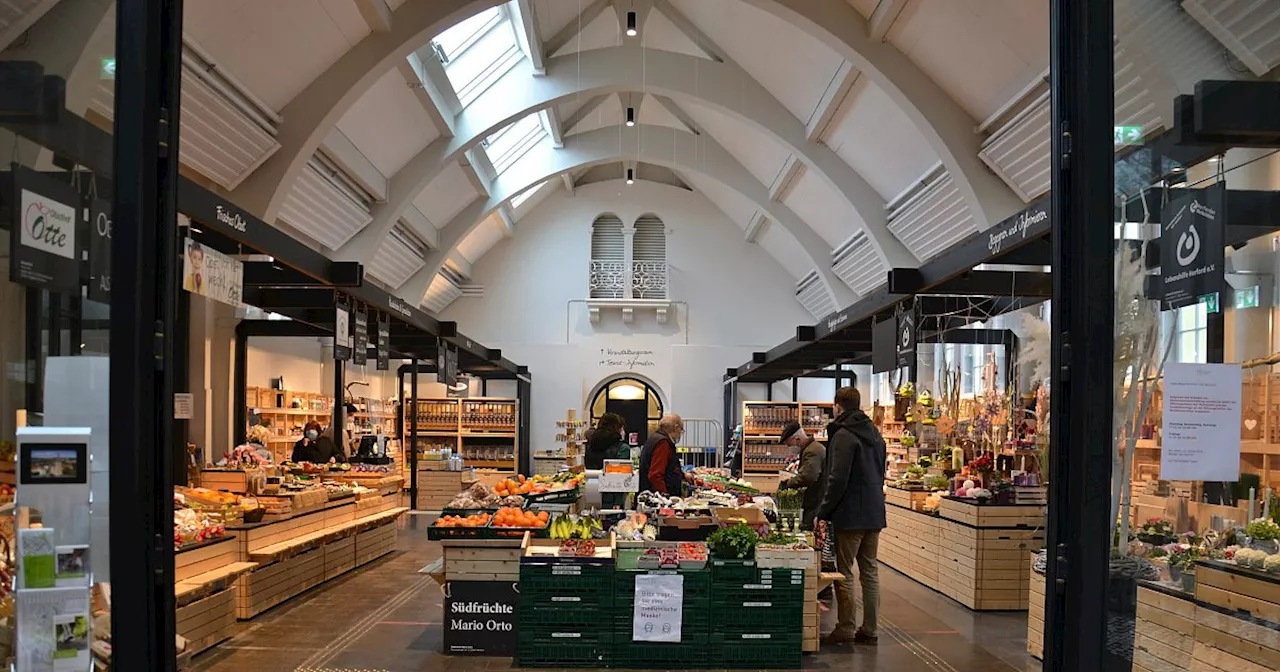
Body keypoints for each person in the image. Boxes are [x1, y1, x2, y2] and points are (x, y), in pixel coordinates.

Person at [815, 386, 887, 646]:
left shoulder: (845, 435)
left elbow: (837, 479)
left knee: (844, 571)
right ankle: (871, 629)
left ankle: (846, 627)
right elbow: (880, 472)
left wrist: (822, 511)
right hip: (874, 510)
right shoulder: (875, 434)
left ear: (838, 406)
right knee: (870, 570)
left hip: (851, 513)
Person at [777, 421, 827, 530]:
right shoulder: (812, 448)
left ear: (798, 439)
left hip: (816, 503)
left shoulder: (812, 451)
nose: (789, 448)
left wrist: (788, 483)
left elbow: (808, 477)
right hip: (815, 502)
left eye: (789, 444)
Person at [586, 413, 630, 509]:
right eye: (622, 428)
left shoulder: (590, 446)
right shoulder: (623, 448)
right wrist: (618, 501)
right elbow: (620, 477)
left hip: (592, 493)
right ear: (618, 429)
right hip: (613, 498)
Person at [639, 414, 684, 495]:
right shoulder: (663, 444)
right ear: (676, 428)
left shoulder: (654, 438)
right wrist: (665, 496)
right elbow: (655, 475)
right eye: (681, 430)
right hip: (657, 497)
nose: (680, 433)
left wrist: (683, 475)